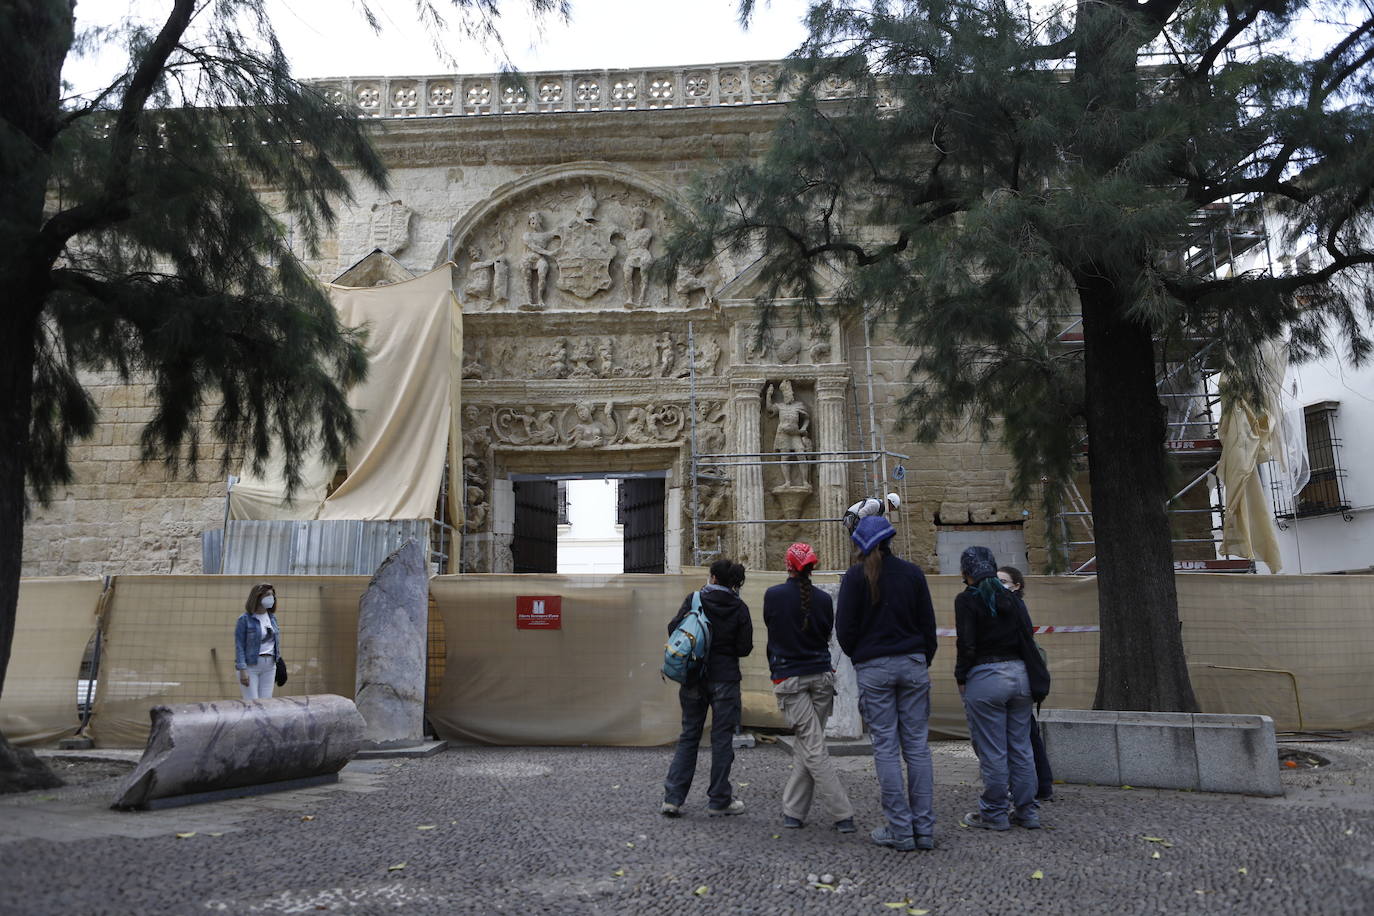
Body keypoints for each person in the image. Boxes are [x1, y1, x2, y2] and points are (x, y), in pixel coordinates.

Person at [836, 516, 938, 851]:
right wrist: (921, 659)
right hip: (912, 663)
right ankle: (924, 829)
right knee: (918, 748)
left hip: (874, 666)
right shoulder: (912, 574)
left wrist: (862, 657)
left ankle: (900, 830)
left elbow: (845, 630)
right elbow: (928, 626)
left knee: (886, 749)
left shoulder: (855, 578)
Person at [763, 543, 857, 833]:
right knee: (810, 744)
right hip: (821, 678)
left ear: (788, 565)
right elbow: (827, 634)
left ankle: (843, 814)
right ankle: (793, 811)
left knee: (813, 747)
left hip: (790, 679)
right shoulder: (823, 600)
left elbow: (772, 629)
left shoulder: (773, 596)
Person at [661, 558, 754, 818]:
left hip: (694, 676)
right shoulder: (739, 607)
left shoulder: (694, 599)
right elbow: (744, 647)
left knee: (689, 735)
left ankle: (673, 798)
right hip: (725, 679)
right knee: (722, 739)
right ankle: (719, 799)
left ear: (713, 577)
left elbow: (673, 628)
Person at [956, 547, 1040, 830]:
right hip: (1020, 676)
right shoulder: (1013, 600)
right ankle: (1027, 811)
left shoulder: (966, 600)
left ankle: (994, 812)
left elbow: (966, 644)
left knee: (993, 751)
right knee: (1021, 747)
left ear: (966, 574)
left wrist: (961, 675)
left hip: (986, 677)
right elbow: (1028, 636)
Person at [998, 565, 1054, 801]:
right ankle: (1037, 786)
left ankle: (1037, 787)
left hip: (1017, 679)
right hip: (1018, 679)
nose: (999, 585)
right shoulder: (1012, 607)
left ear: (1017, 585)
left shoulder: (1013, 607)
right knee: (1025, 735)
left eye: (1003, 581)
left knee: (1025, 737)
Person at [235, 583, 281, 700]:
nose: (272, 598)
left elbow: (274, 642)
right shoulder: (244, 619)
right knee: (252, 704)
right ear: (258, 597)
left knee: (266, 703)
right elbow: (239, 646)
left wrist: (279, 661)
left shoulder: (272, 618)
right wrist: (242, 669)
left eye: (272, 595)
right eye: (268, 595)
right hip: (251, 666)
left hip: (270, 666)